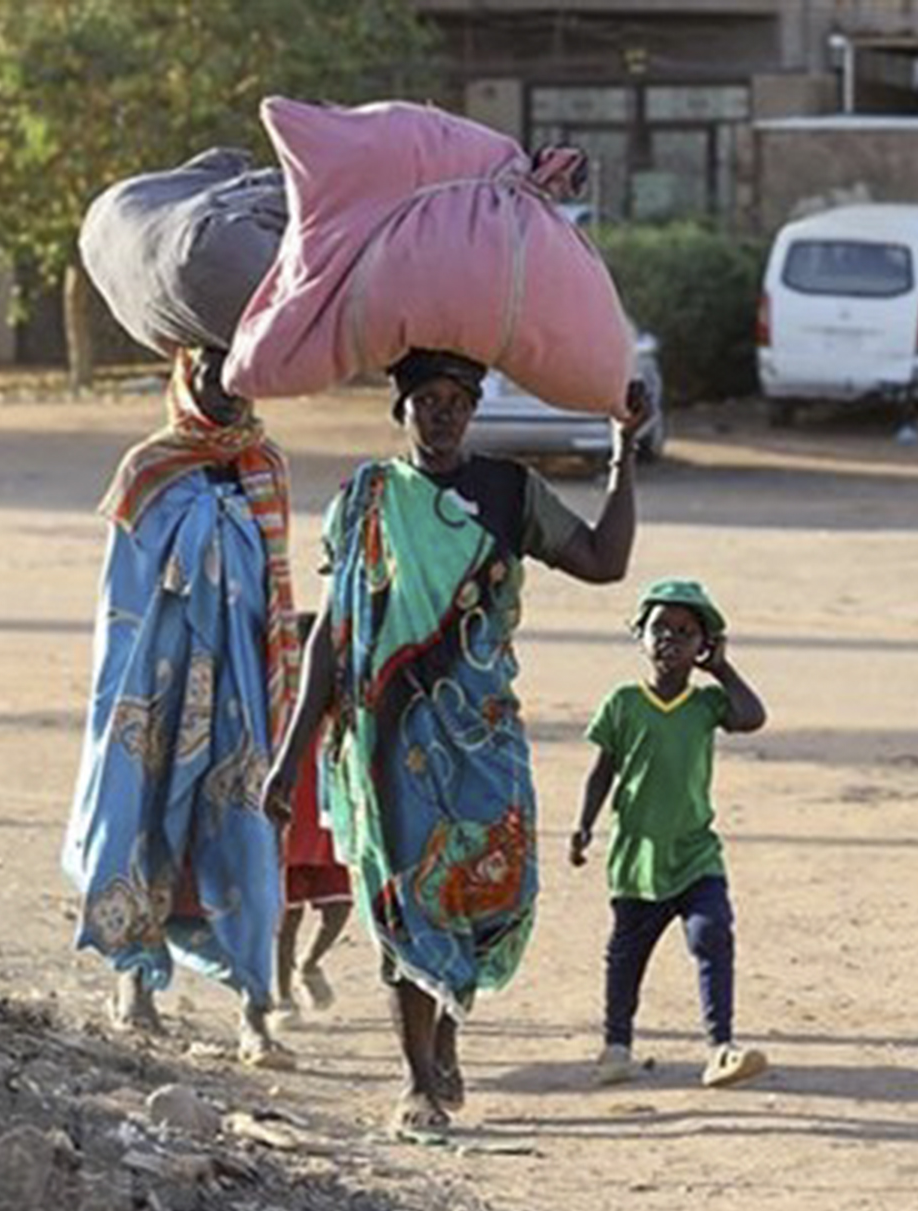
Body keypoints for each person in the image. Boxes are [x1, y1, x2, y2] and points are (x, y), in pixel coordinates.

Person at [262, 348, 654, 1138]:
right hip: (386, 742)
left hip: (482, 735)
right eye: (425, 400)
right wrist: (292, 750)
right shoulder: (366, 499)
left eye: (456, 401)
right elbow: (334, 639)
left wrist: (623, 450)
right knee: (404, 900)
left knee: (486, 890)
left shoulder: (510, 491)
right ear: (398, 410)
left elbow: (605, 564)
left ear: (474, 410)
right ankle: (416, 1082)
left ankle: (446, 1027)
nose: (441, 414)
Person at [59, 346, 302, 1070]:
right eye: (209, 371)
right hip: (155, 685)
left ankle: (257, 1012)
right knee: (139, 820)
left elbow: (276, 590)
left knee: (248, 840)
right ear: (183, 375)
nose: (223, 387)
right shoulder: (147, 470)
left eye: (237, 372)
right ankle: (133, 982)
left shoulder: (267, 468)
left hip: (241, 688)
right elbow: (120, 601)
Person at [569, 578, 770, 1089]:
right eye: (659, 628)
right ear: (639, 635)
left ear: (702, 646)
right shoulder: (623, 703)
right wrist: (583, 825)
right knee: (625, 956)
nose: (670, 640)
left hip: (696, 854)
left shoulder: (706, 705)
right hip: (637, 858)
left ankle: (721, 1047)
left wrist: (722, 668)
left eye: (685, 632)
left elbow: (752, 717)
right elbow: (602, 769)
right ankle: (616, 1046)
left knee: (711, 935)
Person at [273, 610, 354, 1022]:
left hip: (325, 826)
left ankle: (309, 963)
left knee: (339, 907)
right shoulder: (280, 707)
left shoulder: (337, 709)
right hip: (290, 828)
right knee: (286, 915)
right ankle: (282, 993)